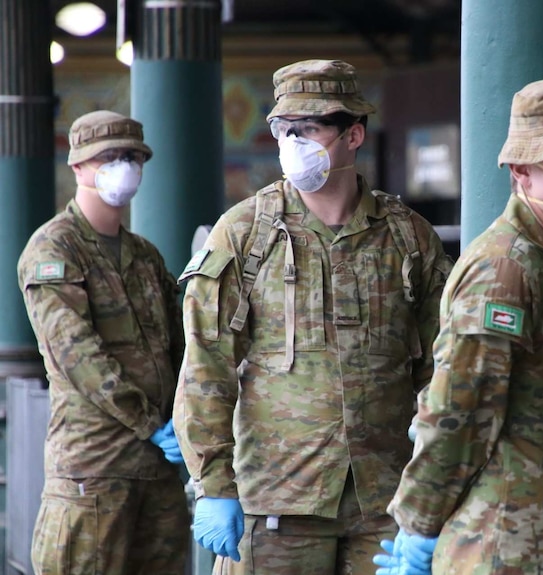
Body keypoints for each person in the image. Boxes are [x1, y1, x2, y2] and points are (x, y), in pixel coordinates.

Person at [173, 59, 452, 575]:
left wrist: (435, 489)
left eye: (309, 129)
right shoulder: (244, 233)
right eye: (283, 130)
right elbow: (206, 365)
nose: (293, 142)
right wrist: (213, 485)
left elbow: (440, 370)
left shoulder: (408, 237)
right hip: (278, 499)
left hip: (385, 502)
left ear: (354, 134)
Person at [376, 79, 543, 575]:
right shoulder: (505, 268)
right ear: (520, 173)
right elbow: (459, 409)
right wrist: (419, 526)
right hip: (507, 544)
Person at [18, 110, 189, 574]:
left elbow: (179, 345)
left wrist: (182, 419)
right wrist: (148, 421)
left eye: (133, 156)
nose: (124, 167)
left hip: (156, 470)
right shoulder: (54, 248)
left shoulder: (145, 255)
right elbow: (76, 352)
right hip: (93, 470)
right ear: (78, 166)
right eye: (109, 157)